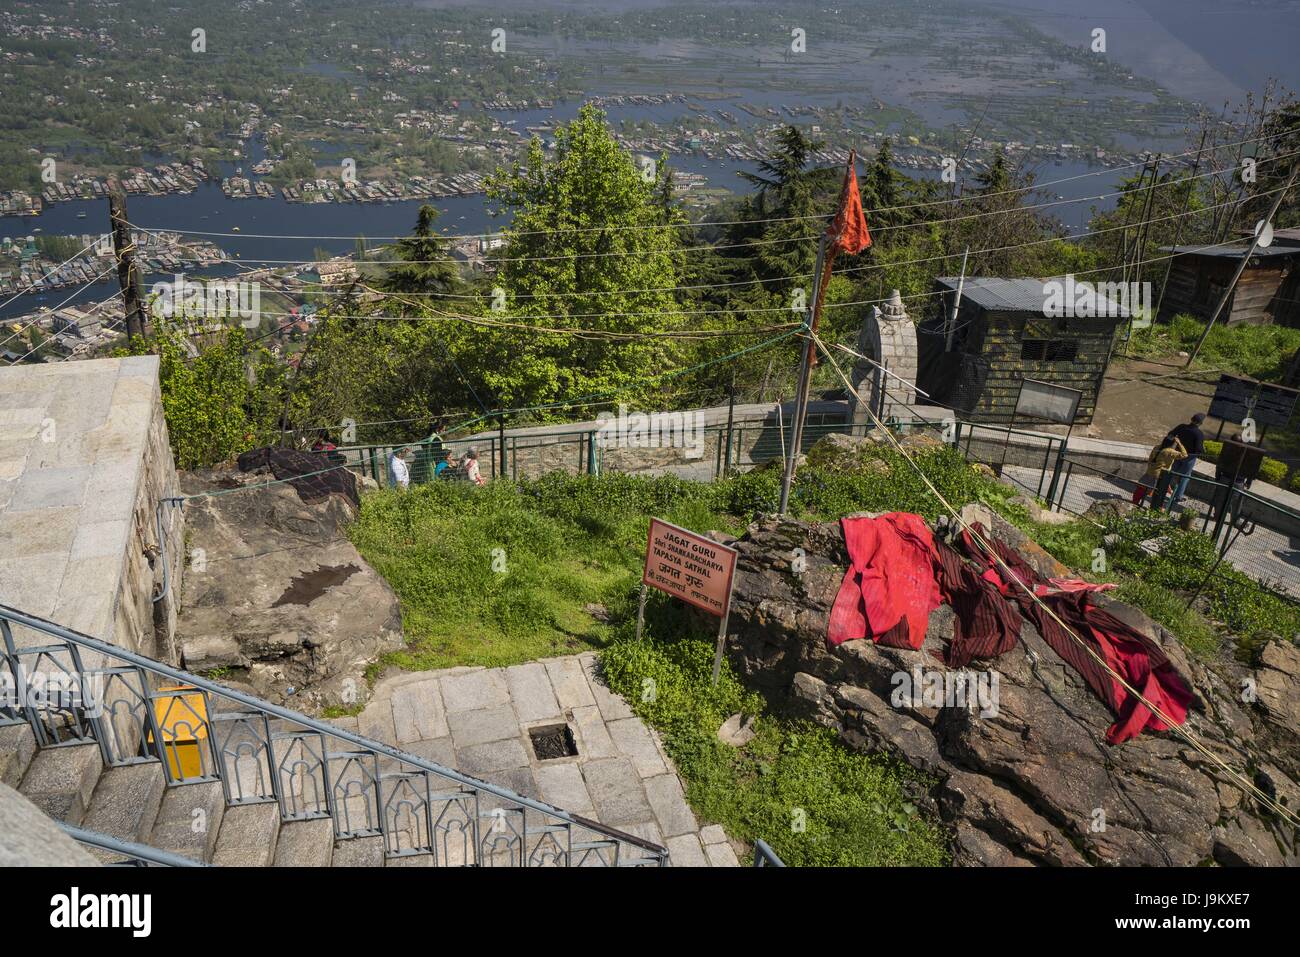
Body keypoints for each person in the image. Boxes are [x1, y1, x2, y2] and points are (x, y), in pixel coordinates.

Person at [1160, 412, 1206, 514]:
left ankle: (1162, 491)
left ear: (1191, 419)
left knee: (1170, 473)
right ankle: (1178, 497)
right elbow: (1198, 449)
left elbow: (1170, 434)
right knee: (1184, 476)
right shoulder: (1198, 433)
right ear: (1201, 423)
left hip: (1177, 454)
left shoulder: (1182, 427)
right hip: (1189, 457)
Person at [1133, 436, 1186, 508]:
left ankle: (1134, 503)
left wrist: (1151, 468)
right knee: (1159, 493)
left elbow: (1150, 459)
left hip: (1150, 471)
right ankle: (1156, 508)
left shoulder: (1157, 447)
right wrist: (1179, 443)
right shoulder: (1170, 451)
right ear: (1173, 443)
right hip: (1160, 475)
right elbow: (1184, 455)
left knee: (1141, 489)